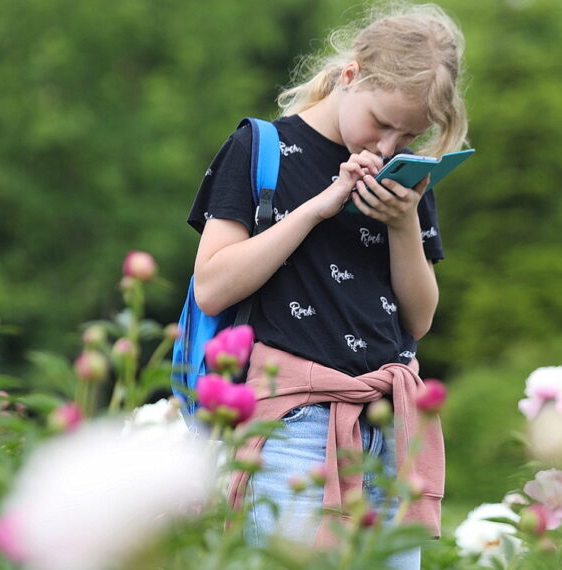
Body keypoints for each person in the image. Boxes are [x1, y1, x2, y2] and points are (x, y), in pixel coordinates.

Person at [186, 2, 469, 566]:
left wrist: (403, 222)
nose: (387, 146)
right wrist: (316, 209)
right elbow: (211, 287)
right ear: (350, 75)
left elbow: (419, 319)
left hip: (389, 430)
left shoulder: (407, 178)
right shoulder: (262, 149)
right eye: (382, 122)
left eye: (408, 133)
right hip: (295, 428)